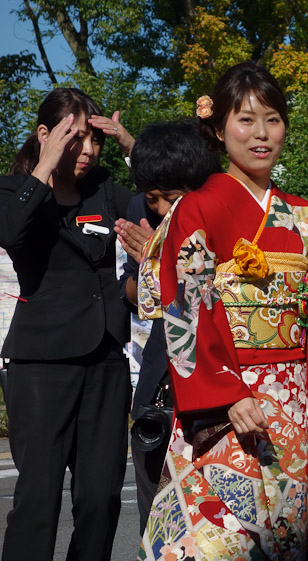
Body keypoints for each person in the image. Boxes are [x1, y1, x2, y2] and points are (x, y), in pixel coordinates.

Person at [137, 61, 308, 560]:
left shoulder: (305, 217)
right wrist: (225, 395)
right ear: (218, 129)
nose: (261, 134)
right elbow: (186, 307)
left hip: (295, 408)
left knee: (289, 536)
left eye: (273, 119)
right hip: (226, 403)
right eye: (246, 119)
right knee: (220, 540)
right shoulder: (196, 208)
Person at [0, 87, 135, 561]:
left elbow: (166, 200)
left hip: (105, 359)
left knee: (100, 499)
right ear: (45, 134)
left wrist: (129, 144)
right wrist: (44, 164)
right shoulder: (13, 189)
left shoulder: (104, 189)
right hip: (40, 365)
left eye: (93, 139)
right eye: (73, 138)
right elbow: (11, 230)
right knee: (38, 500)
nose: (86, 150)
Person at [114, 119, 222, 533]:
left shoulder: (225, 215)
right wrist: (147, 273)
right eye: (151, 198)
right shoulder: (140, 212)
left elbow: (214, 300)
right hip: (160, 378)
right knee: (157, 516)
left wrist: (160, 266)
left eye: (170, 198)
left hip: (217, 382)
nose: (158, 208)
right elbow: (139, 299)